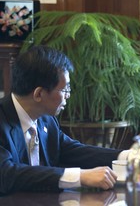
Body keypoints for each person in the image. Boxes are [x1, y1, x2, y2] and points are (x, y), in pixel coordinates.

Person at [0, 45, 129, 194]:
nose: (68, 95)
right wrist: (79, 176)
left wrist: (127, 157)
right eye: (64, 89)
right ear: (39, 94)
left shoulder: (45, 119)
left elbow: (70, 150)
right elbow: (6, 174)